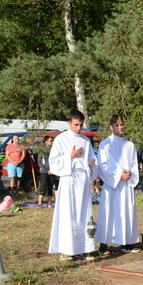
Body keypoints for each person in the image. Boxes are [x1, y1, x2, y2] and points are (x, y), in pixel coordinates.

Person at [48, 110, 97, 261]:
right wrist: (70, 156)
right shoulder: (61, 139)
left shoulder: (85, 140)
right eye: (76, 125)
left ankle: (85, 248)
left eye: (81, 125)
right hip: (68, 179)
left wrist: (91, 165)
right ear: (69, 123)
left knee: (84, 214)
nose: (79, 128)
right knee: (68, 214)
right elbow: (54, 162)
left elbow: (92, 160)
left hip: (82, 180)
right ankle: (67, 249)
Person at [95, 115, 140, 255]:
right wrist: (119, 173)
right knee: (108, 213)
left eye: (122, 125)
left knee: (126, 212)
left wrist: (130, 173)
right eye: (117, 125)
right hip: (112, 185)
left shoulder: (129, 145)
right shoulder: (105, 144)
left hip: (125, 185)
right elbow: (103, 164)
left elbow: (133, 163)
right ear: (111, 127)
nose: (120, 127)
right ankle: (104, 244)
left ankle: (126, 242)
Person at [37, 136, 56, 207]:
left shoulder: (53, 150)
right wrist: (46, 170)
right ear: (46, 142)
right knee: (43, 186)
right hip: (44, 171)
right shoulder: (41, 150)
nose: (52, 142)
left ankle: (49, 203)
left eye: (52, 141)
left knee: (50, 186)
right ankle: (40, 203)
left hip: (52, 171)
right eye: (50, 141)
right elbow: (39, 162)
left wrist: (52, 170)